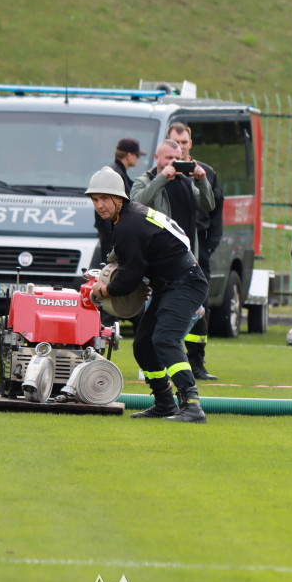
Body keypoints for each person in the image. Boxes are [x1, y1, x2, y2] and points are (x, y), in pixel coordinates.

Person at [86, 168, 210, 423]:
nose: (99, 205)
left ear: (119, 199)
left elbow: (128, 276)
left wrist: (103, 290)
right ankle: (165, 403)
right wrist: (149, 278)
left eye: (104, 199)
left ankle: (192, 405)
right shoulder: (130, 218)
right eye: (95, 200)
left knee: (165, 340)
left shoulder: (128, 224)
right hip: (172, 283)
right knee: (143, 345)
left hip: (186, 282)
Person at [167, 122, 225, 381]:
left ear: (191, 144)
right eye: (175, 142)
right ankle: (166, 357)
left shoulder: (206, 172)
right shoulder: (163, 172)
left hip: (199, 249)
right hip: (169, 249)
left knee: (201, 307)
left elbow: (216, 210)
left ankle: (197, 363)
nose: (180, 148)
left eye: (184, 142)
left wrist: (210, 246)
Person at [130, 139, 215, 260]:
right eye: (169, 158)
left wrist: (202, 181)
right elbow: (135, 205)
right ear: (156, 158)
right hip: (158, 257)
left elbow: (208, 205)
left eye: (177, 158)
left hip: (187, 257)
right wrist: (162, 178)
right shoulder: (144, 181)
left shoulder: (186, 182)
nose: (173, 162)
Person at [96, 138, 145, 262]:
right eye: (137, 155)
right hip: (112, 236)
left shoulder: (114, 172)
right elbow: (109, 207)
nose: (138, 158)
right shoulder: (115, 175)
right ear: (129, 155)